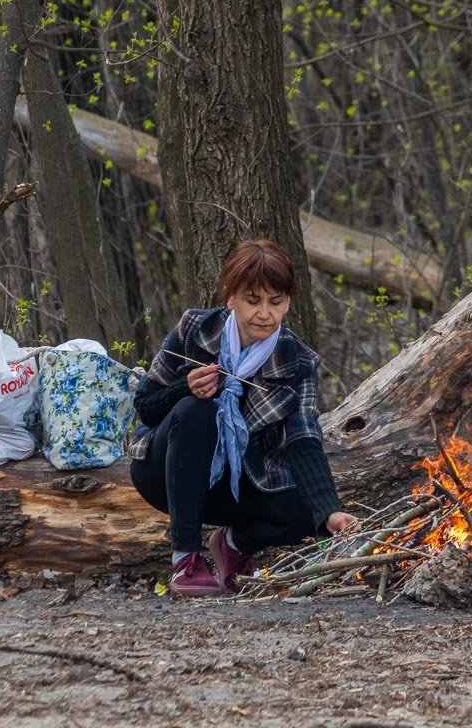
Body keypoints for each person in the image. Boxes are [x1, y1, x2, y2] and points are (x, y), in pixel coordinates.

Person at [130, 239, 358, 597]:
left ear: (288, 303)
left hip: (236, 484)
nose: (264, 314)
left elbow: (303, 439)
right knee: (197, 409)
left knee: (310, 511)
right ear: (230, 297)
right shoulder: (196, 328)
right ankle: (185, 559)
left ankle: (233, 544)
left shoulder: (297, 361)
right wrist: (182, 389)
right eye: (253, 301)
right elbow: (144, 404)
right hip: (163, 472)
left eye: (276, 302)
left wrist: (329, 511)